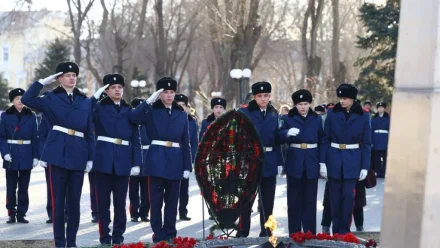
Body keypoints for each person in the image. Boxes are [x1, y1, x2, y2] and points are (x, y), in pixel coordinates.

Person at [21, 62, 95, 248]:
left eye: (74, 75)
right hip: (57, 153)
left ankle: (72, 242)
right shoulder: (50, 98)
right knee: (58, 202)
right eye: (67, 75)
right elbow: (28, 99)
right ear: (59, 79)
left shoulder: (84, 100)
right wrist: (42, 83)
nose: (72, 77)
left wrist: (90, 158)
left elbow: (89, 132)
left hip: (78, 152)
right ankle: (60, 243)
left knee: (75, 203)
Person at [129, 77, 191, 243]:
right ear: (159, 94)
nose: (169, 95)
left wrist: (187, 166)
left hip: (176, 160)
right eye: (165, 92)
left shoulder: (181, 113)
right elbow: (134, 118)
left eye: (172, 92)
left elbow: (186, 142)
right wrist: (148, 101)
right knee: (155, 201)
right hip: (156, 158)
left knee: (172, 201)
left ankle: (170, 233)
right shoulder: (151, 111)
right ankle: (158, 234)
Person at [92, 74, 141, 245]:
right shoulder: (98, 108)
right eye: (113, 87)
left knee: (120, 203)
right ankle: (104, 237)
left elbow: (136, 138)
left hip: (123, 160)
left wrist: (136, 162)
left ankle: (118, 237)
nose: (118, 89)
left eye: (120, 87)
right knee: (103, 204)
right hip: (103, 159)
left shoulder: (129, 110)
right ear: (106, 90)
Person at [319, 83, 371, 235]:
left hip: (353, 160)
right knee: (334, 198)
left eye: (345, 98)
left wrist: (364, 167)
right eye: (341, 98)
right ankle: (336, 232)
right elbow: (325, 138)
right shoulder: (332, 113)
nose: (342, 101)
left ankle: (344, 231)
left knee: (348, 197)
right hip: (334, 157)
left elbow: (367, 143)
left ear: (353, 99)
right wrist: (322, 162)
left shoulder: (364, 115)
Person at [237, 81, 284, 237]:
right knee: (246, 200)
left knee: (268, 199)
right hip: (250, 160)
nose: (263, 99)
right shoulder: (245, 112)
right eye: (260, 96)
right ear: (254, 97)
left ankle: (267, 230)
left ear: (270, 96)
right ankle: (243, 231)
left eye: (266, 96)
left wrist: (279, 161)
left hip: (269, 159)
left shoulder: (273, 113)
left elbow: (276, 138)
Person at [278, 89, 324, 234]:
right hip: (294, 161)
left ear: (309, 104)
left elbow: (323, 140)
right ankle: (295, 233)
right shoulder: (288, 118)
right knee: (294, 200)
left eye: (305, 104)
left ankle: (310, 233)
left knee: (310, 200)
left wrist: (322, 163)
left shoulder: (316, 119)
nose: (303, 107)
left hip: (311, 160)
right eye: (299, 104)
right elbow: (277, 137)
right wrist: (286, 133)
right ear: (295, 105)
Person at [0, 88, 38, 224]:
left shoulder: (31, 115)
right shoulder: (5, 115)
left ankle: (22, 213)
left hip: (27, 153)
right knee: (11, 186)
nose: (20, 101)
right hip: (11, 152)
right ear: (12, 101)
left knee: (23, 186)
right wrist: (5, 153)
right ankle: (11, 212)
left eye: (22, 98)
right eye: (17, 98)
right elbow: (2, 137)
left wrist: (35, 156)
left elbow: (35, 137)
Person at [175, 94, 198, 221]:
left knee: (184, 187)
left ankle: (183, 211)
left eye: (183, 105)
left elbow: (194, 142)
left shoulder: (191, 121)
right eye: (178, 105)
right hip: (172, 156)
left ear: (187, 107)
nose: (181, 108)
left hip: (185, 157)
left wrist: (191, 160)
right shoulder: (171, 119)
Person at [129, 98, 151, 223]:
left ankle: (144, 212)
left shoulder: (148, 122)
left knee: (146, 189)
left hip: (147, 156)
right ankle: (134, 212)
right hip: (134, 156)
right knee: (133, 189)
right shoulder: (132, 123)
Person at [371, 102, 390, 178]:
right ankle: (378, 172)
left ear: (384, 109)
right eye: (379, 107)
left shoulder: (388, 118)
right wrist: (371, 141)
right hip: (376, 138)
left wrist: (389, 141)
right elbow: (371, 130)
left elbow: (391, 130)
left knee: (385, 157)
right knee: (376, 157)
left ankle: (384, 172)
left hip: (385, 138)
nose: (380, 109)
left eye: (382, 107)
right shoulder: (374, 118)